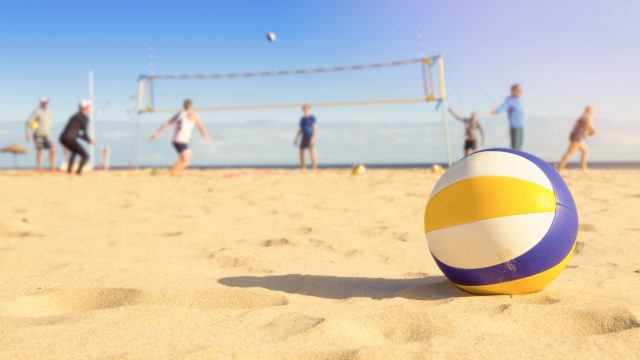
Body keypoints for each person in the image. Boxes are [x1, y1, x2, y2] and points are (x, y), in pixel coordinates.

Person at [150, 99, 211, 174]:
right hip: (181, 140)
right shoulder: (193, 115)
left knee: (185, 157)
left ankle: (169, 171)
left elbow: (167, 123)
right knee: (185, 162)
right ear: (191, 106)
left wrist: (157, 133)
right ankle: (168, 173)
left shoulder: (180, 113)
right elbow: (201, 127)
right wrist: (205, 135)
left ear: (183, 105)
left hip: (175, 140)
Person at [557, 106, 596, 172]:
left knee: (585, 151)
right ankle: (559, 168)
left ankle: (584, 168)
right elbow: (591, 129)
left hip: (578, 139)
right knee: (569, 154)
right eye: (592, 111)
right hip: (577, 139)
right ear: (590, 111)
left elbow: (579, 129)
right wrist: (591, 132)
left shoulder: (582, 118)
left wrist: (587, 133)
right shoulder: (586, 118)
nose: (593, 113)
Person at [59, 100, 94, 175]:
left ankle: (69, 171)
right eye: (89, 107)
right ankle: (79, 172)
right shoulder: (84, 118)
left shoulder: (74, 116)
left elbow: (77, 133)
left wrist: (87, 139)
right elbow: (84, 133)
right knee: (85, 155)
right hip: (70, 138)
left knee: (74, 152)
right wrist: (88, 140)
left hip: (63, 138)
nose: (90, 108)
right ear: (85, 108)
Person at [26, 98, 55, 171]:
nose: (45, 104)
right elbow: (29, 121)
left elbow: (48, 123)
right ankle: (38, 168)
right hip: (38, 134)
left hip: (47, 134)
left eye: (46, 102)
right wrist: (30, 132)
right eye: (44, 102)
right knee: (39, 150)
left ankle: (52, 168)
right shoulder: (37, 111)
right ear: (41, 103)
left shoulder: (48, 112)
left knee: (52, 150)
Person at [492, 84, 524, 150]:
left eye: (520, 91)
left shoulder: (517, 100)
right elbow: (503, 106)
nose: (520, 92)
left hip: (520, 127)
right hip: (515, 128)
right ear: (513, 91)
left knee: (520, 147)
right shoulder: (510, 100)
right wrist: (496, 111)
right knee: (516, 148)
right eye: (518, 90)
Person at [294, 104, 317, 170]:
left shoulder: (312, 118)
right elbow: (300, 129)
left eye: (306, 109)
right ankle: (303, 167)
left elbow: (315, 129)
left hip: (310, 136)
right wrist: (296, 138)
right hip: (303, 137)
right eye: (304, 109)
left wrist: (313, 138)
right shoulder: (302, 119)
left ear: (309, 110)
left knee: (311, 152)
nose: (305, 111)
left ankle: (314, 167)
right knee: (301, 152)